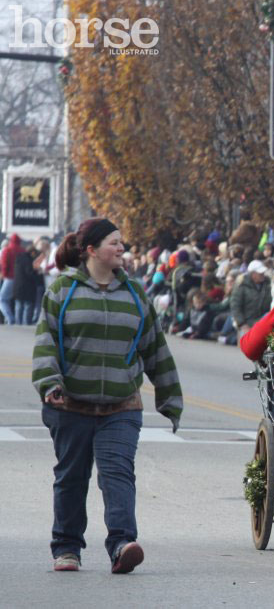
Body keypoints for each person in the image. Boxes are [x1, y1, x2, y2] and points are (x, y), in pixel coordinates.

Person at [32, 218, 182, 574]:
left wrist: (170, 397)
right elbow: (45, 344)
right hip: (69, 404)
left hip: (121, 405)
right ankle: (67, 548)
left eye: (122, 243)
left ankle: (121, 544)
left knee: (117, 473)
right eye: (114, 243)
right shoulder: (62, 291)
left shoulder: (134, 293)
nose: (121, 248)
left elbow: (155, 347)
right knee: (72, 476)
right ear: (90, 250)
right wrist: (50, 383)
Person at [231, 260, 273, 340]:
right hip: (247, 321)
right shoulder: (242, 285)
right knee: (246, 341)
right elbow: (235, 306)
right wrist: (242, 324)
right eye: (260, 273)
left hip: (262, 320)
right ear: (253, 274)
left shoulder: (267, 284)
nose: (263, 274)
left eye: (263, 272)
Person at [1, 232, 26, 323]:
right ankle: (17, 319)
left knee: (2, 299)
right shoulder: (23, 250)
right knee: (17, 300)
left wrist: (4, 275)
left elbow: (4, 265)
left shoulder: (7, 250)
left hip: (9, 278)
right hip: (21, 279)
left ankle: (10, 318)